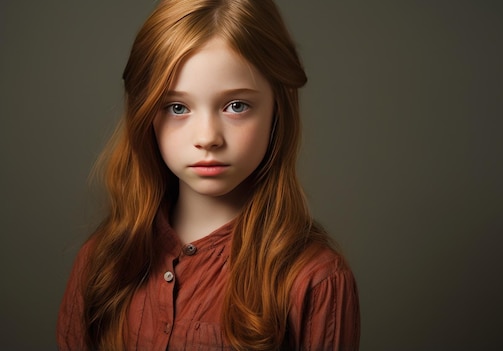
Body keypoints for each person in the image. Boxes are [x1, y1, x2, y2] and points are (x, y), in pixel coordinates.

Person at [56, 0, 360, 350]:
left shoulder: (315, 280)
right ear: (146, 115)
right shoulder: (101, 262)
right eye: (177, 107)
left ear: (277, 109)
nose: (207, 138)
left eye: (236, 106)